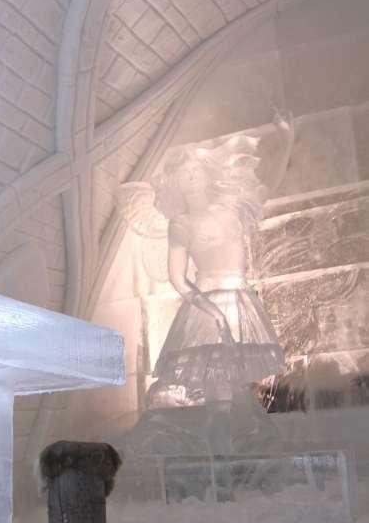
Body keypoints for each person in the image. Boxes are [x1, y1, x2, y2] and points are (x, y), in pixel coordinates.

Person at [124, 111, 294, 407]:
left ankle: (237, 425)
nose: (191, 177)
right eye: (184, 173)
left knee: (239, 382)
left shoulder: (233, 208)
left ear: (207, 174)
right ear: (175, 181)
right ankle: (219, 425)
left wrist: (287, 141)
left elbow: (269, 185)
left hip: (240, 302)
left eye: (196, 170)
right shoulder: (181, 224)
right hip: (205, 307)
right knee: (215, 381)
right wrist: (212, 312)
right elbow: (177, 279)